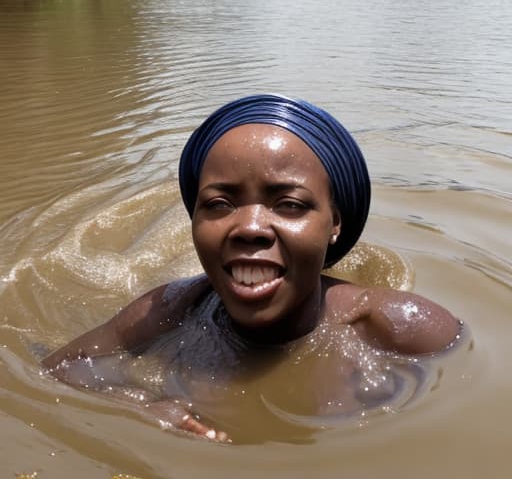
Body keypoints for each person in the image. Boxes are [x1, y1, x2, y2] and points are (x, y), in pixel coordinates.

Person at [42, 94, 462, 443]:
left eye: (290, 205)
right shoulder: (172, 307)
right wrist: (139, 405)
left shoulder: (408, 329)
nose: (250, 228)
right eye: (219, 205)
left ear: (335, 224)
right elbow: (57, 368)